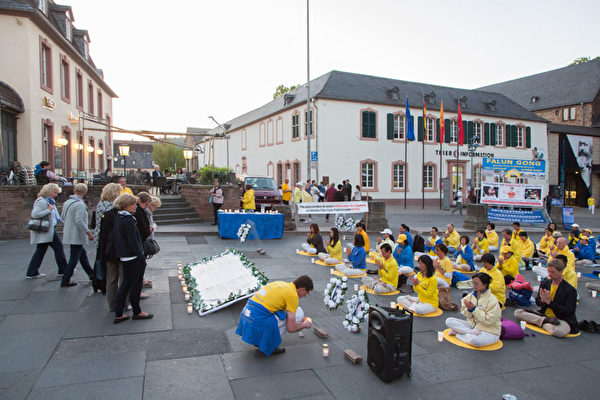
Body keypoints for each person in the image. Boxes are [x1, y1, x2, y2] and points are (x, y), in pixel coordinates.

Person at [236, 275, 313, 356]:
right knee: (299, 313)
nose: (305, 296)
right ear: (303, 289)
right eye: (307, 293)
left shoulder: (280, 283)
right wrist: (303, 325)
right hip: (256, 320)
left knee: (287, 312)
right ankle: (269, 343)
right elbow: (291, 328)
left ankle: (258, 339)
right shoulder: (293, 295)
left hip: (246, 316)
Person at [112, 193, 153, 323]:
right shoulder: (129, 220)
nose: (135, 206)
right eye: (133, 204)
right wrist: (141, 256)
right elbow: (133, 241)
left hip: (125, 256)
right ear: (126, 205)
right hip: (133, 257)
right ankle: (137, 311)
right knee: (135, 286)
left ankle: (119, 313)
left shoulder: (119, 217)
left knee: (125, 284)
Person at [514, 259, 579, 338]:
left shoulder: (569, 290)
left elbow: (569, 311)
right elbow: (538, 302)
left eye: (552, 272)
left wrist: (549, 302)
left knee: (559, 332)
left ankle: (542, 322)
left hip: (561, 319)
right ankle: (544, 322)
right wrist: (542, 300)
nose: (550, 274)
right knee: (518, 312)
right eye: (548, 272)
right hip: (544, 315)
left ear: (561, 271)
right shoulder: (545, 283)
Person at [445, 273, 501, 347]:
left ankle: (459, 334)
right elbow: (466, 315)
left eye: (476, 283)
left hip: (489, 331)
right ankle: (469, 332)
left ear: (485, 285)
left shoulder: (492, 300)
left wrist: (474, 309)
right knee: (449, 321)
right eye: (473, 283)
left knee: (475, 341)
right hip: (473, 326)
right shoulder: (471, 296)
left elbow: (489, 321)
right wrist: (469, 310)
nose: (473, 285)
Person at [25, 183, 67, 279]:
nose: (56, 195)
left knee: (41, 250)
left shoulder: (48, 201)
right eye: (55, 192)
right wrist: (48, 210)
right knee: (58, 248)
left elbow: (55, 216)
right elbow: (35, 214)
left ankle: (32, 272)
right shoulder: (42, 202)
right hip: (47, 230)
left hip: (47, 230)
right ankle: (63, 269)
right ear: (49, 192)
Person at [60, 183, 94, 287]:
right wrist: (88, 232)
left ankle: (91, 275)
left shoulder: (67, 202)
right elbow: (79, 221)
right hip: (76, 234)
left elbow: (62, 217)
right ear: (85, 192)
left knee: (82, 255)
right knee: (74, 258)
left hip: (69, 232)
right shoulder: (80, 204)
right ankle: (65, 280)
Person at [92, 183, 121, 293]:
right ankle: (103, 283)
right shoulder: (110, 206)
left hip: (99, 234)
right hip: (106, 236)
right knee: (106, 262)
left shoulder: (101, 203)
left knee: (99, 259)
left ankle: (97, 282)